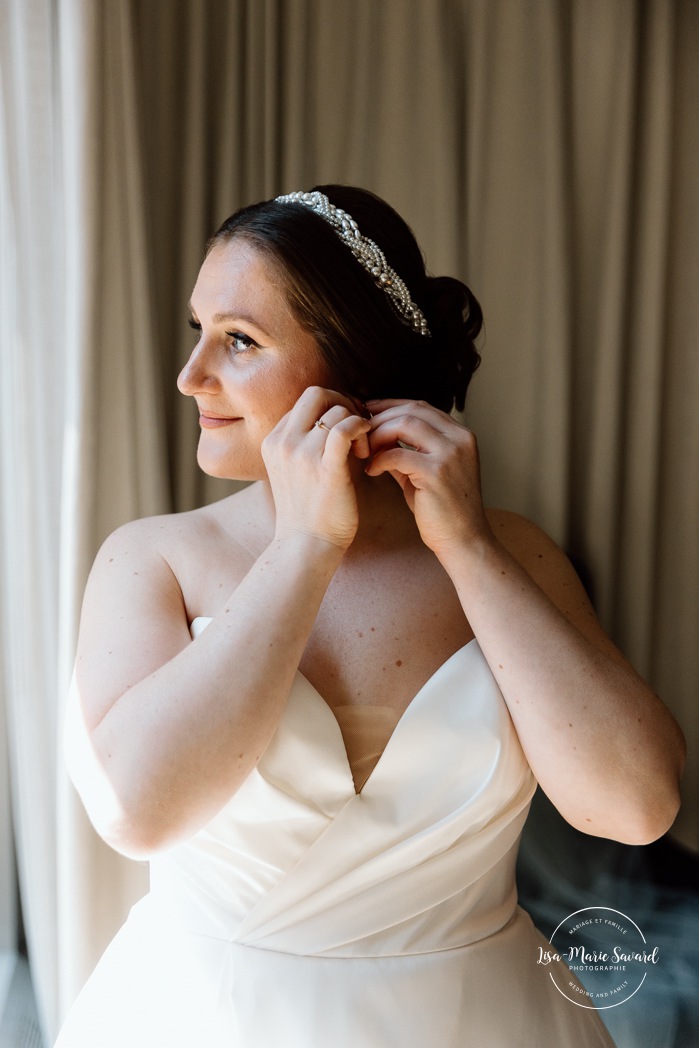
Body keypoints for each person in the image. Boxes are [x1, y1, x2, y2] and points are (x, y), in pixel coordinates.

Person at [56, 186, 685, 1047]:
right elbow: (136, 813)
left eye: (238, 340)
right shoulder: (150, 559)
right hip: (204, 1017)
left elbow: (636, 807)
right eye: (195, 331)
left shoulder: (515, 556)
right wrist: (302, 548)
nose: (190, 375)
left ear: (354, 369)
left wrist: (466, 548)